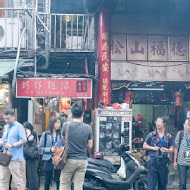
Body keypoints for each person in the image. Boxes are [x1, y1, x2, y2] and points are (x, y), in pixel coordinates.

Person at [60, 102, 93, 190]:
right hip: (82, 160)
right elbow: (90, 146)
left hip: (69, 159)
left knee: (64, 183)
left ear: (71, 113)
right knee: (79, 185)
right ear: (82, 113)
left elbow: (63, 138)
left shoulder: (66, 125)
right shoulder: (88, 128)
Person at [143, 117, 174, 190]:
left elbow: (172, 149)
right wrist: (153, 148)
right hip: (153, 162)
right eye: (157, 121)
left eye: (160, 121)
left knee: (162, 185)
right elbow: (144, 145)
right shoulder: (151, 135)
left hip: (163, 162)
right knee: (151, 185)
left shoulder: (168, 136)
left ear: (164, 124)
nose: (157, 123)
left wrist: (167, 150)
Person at [0, 110, 27, 190]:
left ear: (13, 116)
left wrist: (12, 145)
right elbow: (3, 140)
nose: (6, 120)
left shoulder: (19, 126)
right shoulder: (7, 127)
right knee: (3, 180)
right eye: (5, 119)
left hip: (15, 158)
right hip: (5, 157)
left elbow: (24, 140)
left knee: (18, 181)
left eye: (8, 118)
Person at [40, 116, 64, 190]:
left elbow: (65, 146)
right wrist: (50, 149)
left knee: (58, 179)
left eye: (59, 123)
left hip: (58, 158)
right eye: (57, 122)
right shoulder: (45, 134)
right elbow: (40, 148)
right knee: (47, 179)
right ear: (52, 123)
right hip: (48, 159)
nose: (58, 124)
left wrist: (59, 149)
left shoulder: (61, 134)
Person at [174, 119, 190, 190]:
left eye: (187, 125)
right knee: (182, 183)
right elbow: (176, 148)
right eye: (185, 124)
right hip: (181, 162)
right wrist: (174, 161)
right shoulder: (180, 134)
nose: (185, 126)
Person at [23, 121, 39, 190]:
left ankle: (33, 187)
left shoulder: (32, 134)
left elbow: (30, 140)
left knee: (32, 174)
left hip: (32, 156)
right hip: (30, 156)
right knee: (29, 173)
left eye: (25, 128)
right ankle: (30, 187)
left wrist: (28, 134)